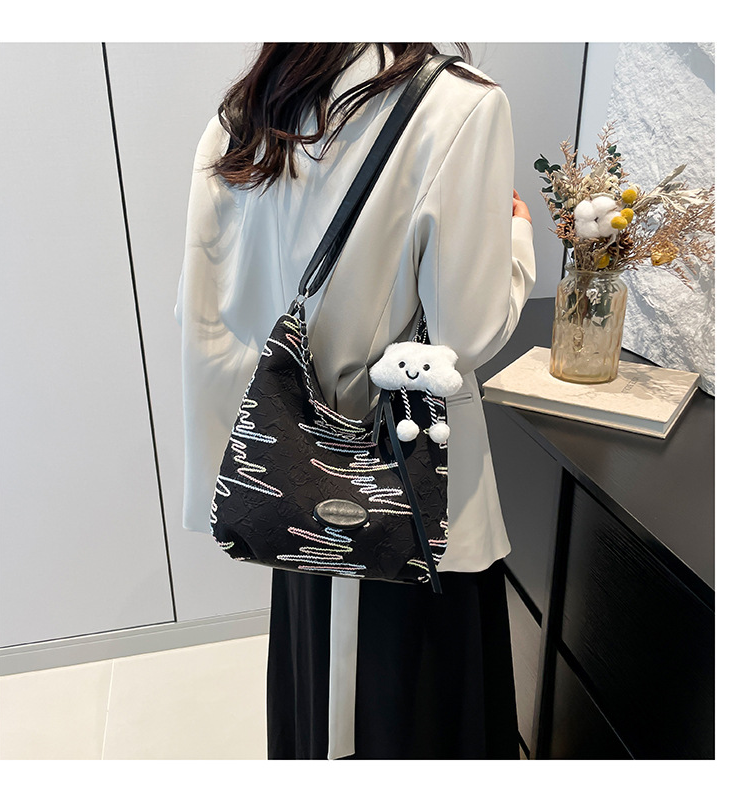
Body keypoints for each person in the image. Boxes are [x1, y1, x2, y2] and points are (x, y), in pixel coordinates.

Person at [176, 42, 535, 760]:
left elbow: (204, 313)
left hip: (292, 476)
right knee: (417, 719)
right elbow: (464, 334)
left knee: (322, 709)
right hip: (409, 490)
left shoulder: (253, 105)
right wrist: (518, 237)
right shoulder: (461, 105)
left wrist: (227, 463)